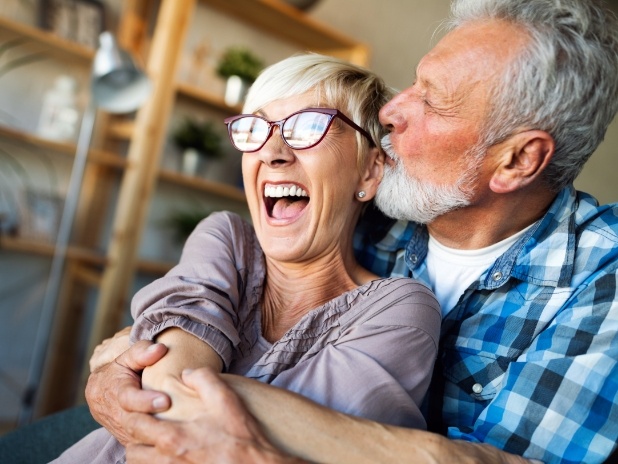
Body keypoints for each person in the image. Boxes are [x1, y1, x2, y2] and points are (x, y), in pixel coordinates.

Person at [85, 0, 618, 462]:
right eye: (413, 81)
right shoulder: (372, 215)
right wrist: (119, 372)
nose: (391, 110)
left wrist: (153, 371)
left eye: (433, 100)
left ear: (517, 160)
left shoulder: (602, 281)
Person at [51, 54, 442, 463]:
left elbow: (311, 441)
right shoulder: (226, 239)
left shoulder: (401, 310)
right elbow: (176, 395)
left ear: (369, 171)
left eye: (308, 126)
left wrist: (132, 359)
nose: (272, 152)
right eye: (255, 128)